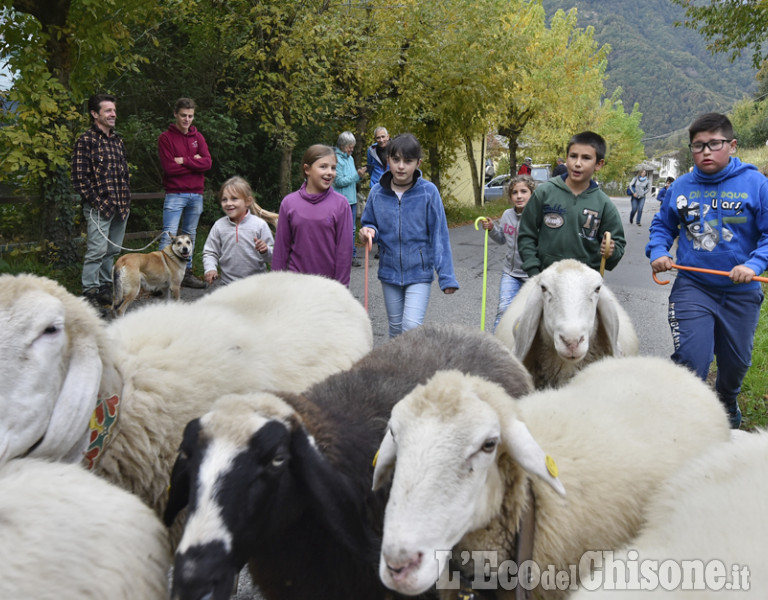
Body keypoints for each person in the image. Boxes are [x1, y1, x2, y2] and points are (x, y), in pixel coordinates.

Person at [647, 112, 768, 429]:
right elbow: (662, 226)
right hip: (693, 287)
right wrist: (659, 251)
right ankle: (688, 425)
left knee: (736, 365)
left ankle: (726, 398)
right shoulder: (682, 186)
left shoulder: (756, 184)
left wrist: (753, 265)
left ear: (732, 145)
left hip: (742, 293)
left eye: (714, 144)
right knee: (691, 360)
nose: (705, 152)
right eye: (698, 146)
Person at [359, 133, 459, 338]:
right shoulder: (377, 192)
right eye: (396, 160)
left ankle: (413, 369)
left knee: (411, 327)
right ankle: (396, 370)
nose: (401, 166)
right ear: (388, 160)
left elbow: (439, 235)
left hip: (419, 272)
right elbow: (370, 223)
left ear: (418, 163)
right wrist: (368, 232)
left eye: (408, 161)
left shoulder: (428, 192)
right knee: (396, 329)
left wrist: (446, 276)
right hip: (389, 271)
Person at [518, 131, 625, 276]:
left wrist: (611, 252)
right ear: (566, 158)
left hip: (585, 285)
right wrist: (533, 271)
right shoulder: (544, 193)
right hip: (546, 280)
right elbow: (526, 234)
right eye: (573, 156)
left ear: (599, 164)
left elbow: (617, 245)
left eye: (586, 158)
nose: (578, 163)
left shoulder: (605, 205)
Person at [71, 93, 131, 309]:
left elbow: (123, 174)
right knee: (96, 251)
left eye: (113, 110)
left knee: (113, 251)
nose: (113, 114)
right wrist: (97, 202)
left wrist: (126, 198)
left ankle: (106, 288)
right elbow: (79, 178)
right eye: (108, 111)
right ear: (94, 114)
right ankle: (89, 292)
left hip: (121, 207)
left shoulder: (117, 140)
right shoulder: (86, 140)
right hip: (99, 208)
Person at [272, 144, 353, 285]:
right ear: (307, 169)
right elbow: (281, 249)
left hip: (327, 286)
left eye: (333, 168)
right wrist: (276, 284)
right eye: (323, 167)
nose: (330, 172)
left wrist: (341, 288)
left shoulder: (341, 204)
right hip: (295, 284)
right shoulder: (289, 203)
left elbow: (344, 252)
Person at [157, 97, 212, 288]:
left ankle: (186, 274)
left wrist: (185, 160)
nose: (187, 119)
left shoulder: (198, 137)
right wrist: (194, 163)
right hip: (175, 194)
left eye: (190, 116)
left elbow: (207, 163)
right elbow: (169, 168)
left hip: (196, 194)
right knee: (168, 235)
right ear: (175, 115)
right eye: (183, 115)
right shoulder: (166, 138)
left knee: (190, 235)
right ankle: (161, 278)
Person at [481, 174, 536, 331]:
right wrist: (492, 229)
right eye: (514, 192)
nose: (519, 196)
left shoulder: (538, 217)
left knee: (529, 316)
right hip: (510, 273)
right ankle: (496, 349)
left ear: (532, 193)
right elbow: (501, 239)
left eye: (524, 191)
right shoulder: (507, 215)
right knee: (504, 310)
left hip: (531, 276)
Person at [202, 176, 274, 286]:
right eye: (224, 199)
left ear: (247, 201)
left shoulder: (259, 225)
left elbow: (274, 256)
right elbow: (210, 252)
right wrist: (210, 269)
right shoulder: (219, 226)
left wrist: (265, 250)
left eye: (234, 198)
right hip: (228, 285)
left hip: (257, 285)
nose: (228, 203)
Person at [333, 131, 367, 268]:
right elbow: (339, 181)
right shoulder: (336, 159)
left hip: (352, 199)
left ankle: (351, 256)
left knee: (352, 230)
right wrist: (356, 176)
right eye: (349, 147)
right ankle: (337, 255)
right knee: (339, 229)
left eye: (352, 146)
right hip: (340, 200)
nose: (351, 149)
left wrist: (360, 175)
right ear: (342, 145)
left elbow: (353, 178)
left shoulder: (350, 158)